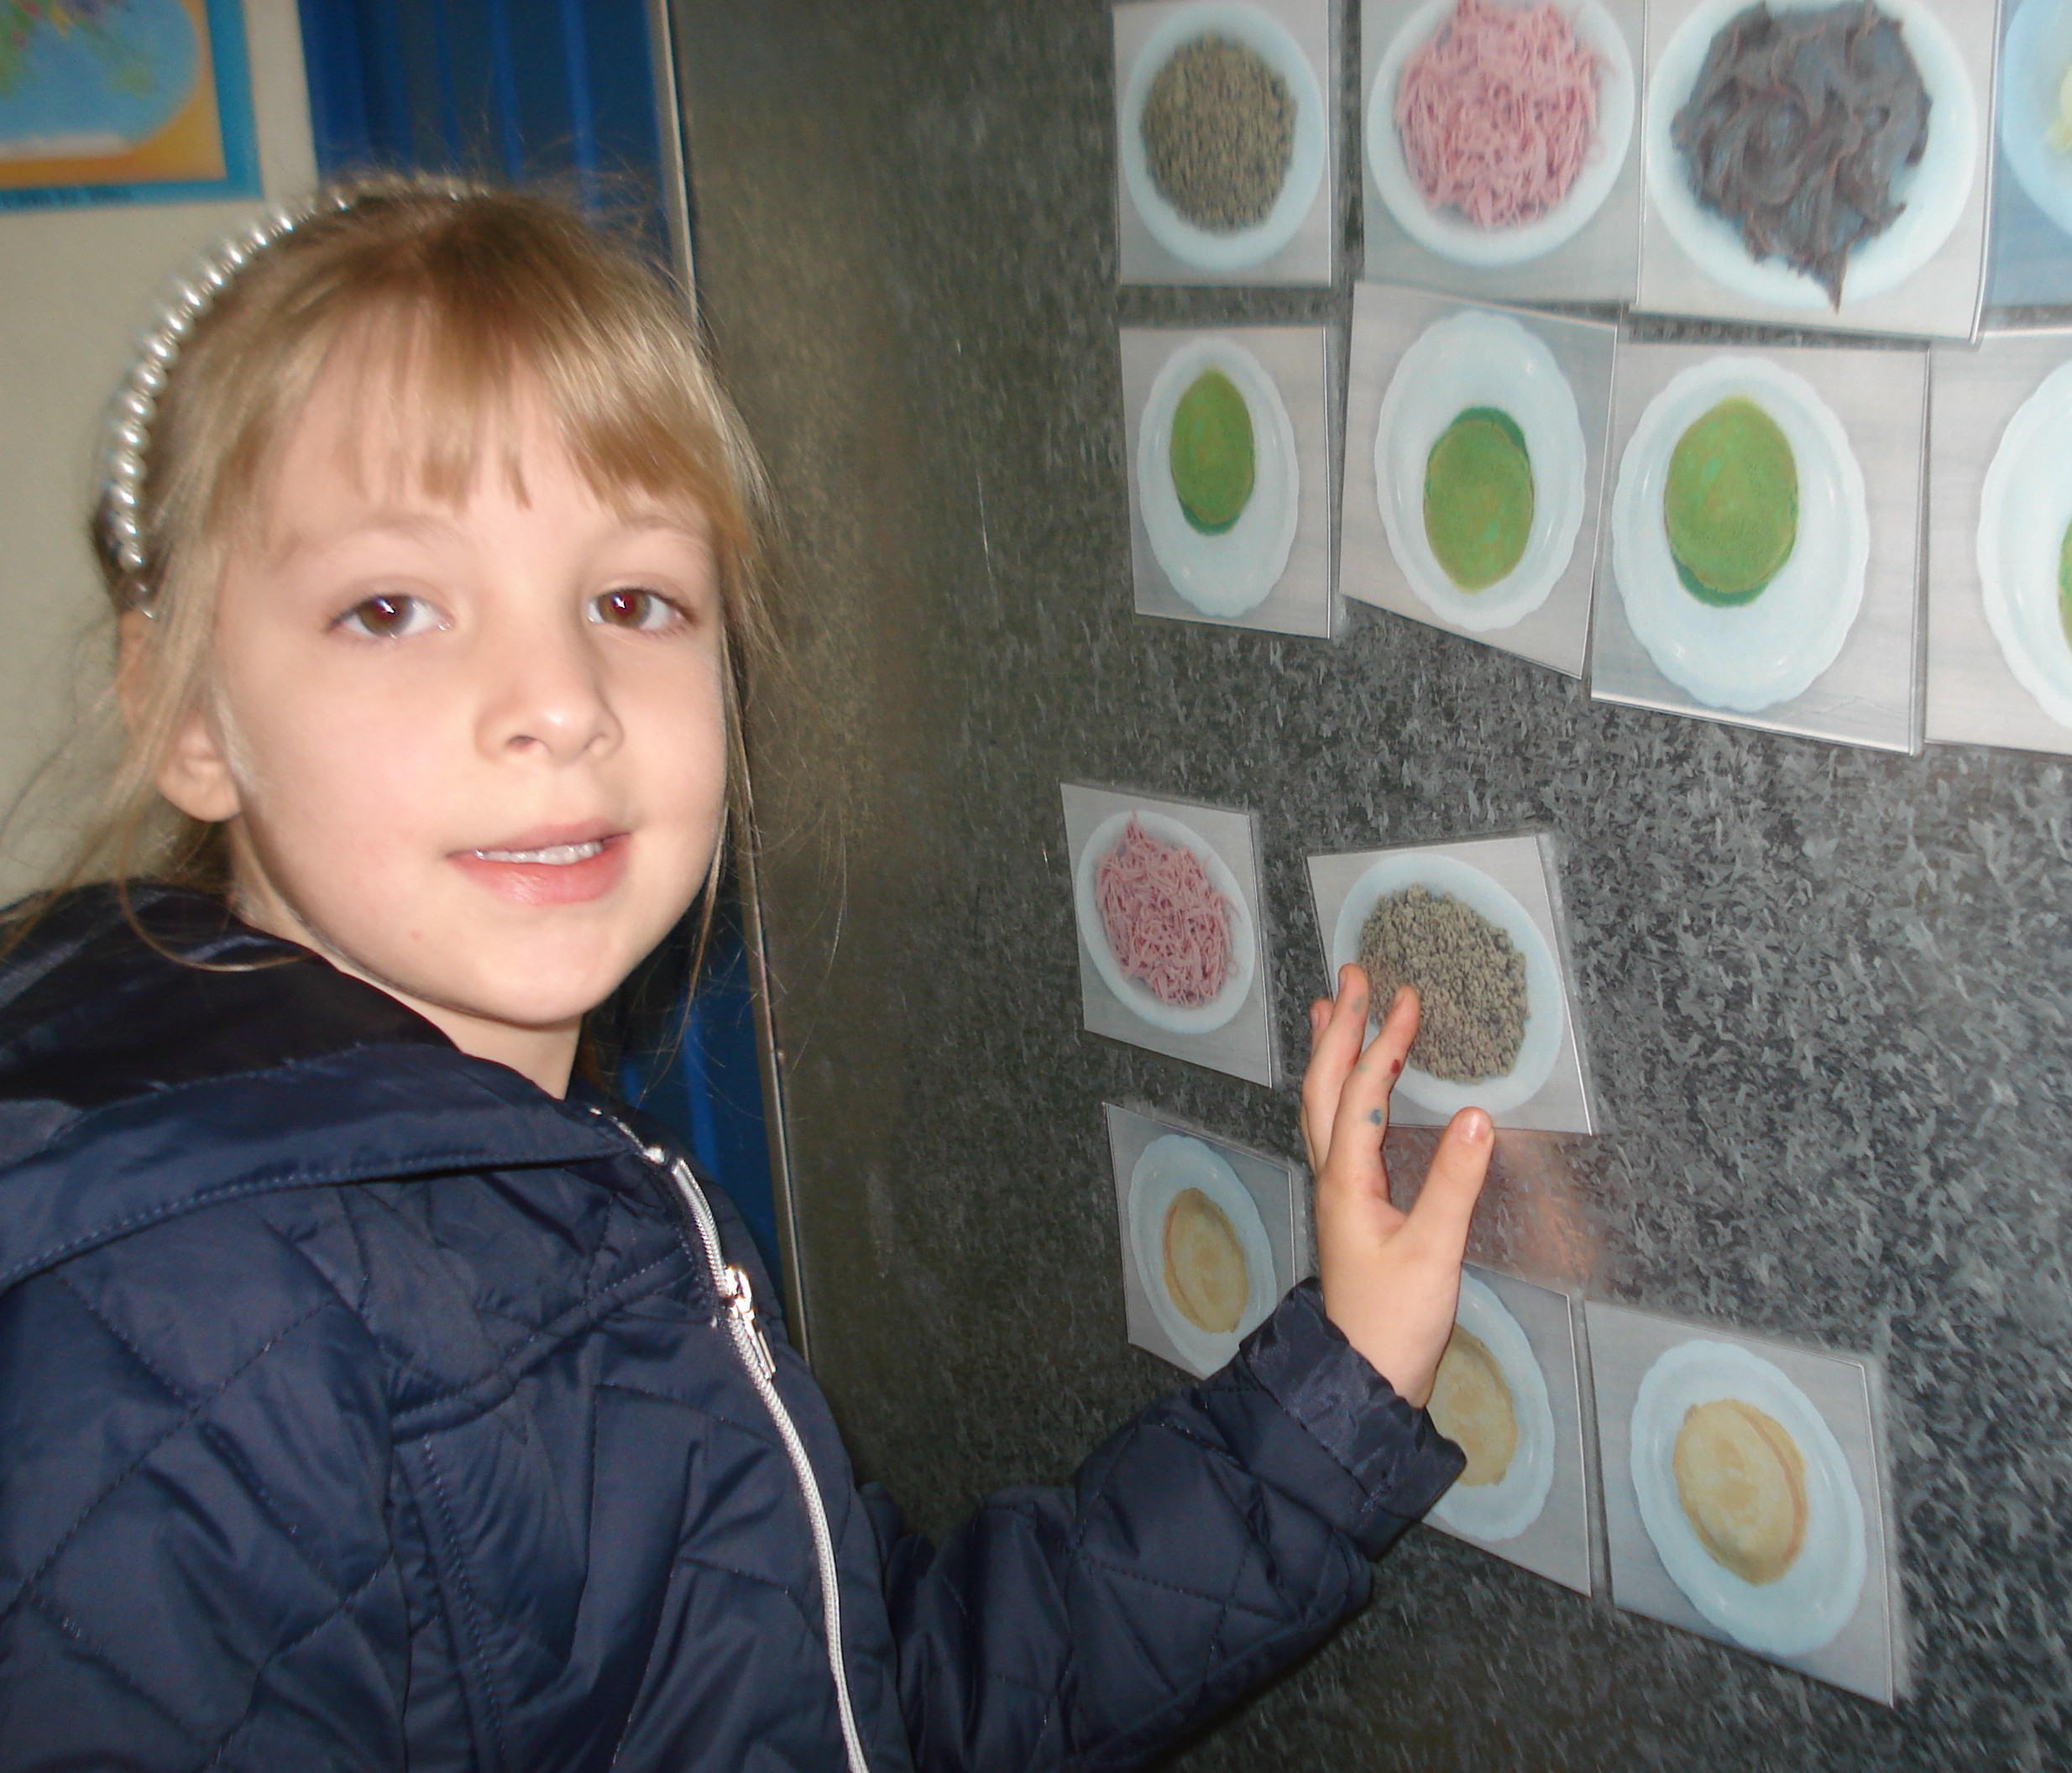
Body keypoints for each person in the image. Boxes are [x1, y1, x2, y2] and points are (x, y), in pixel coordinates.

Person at [0, 179, 1497, 1770]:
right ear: (185, 711)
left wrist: (1333, 1396)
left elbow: (879, 1707)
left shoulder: (574, 1194)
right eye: (392, 607)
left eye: (631, 599)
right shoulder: (178, 1339)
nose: (561, 698)